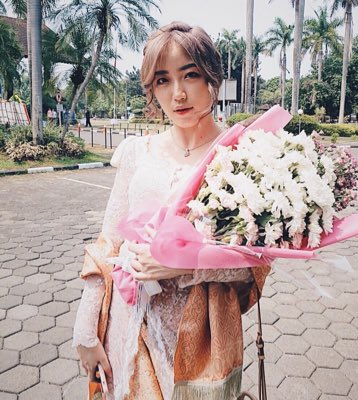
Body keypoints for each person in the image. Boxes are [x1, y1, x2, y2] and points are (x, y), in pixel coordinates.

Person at [73, 21, 270, 400]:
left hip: (199, 342)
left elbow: (255, 264)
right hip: (127, 329)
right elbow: (108, 243)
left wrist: (183, 264)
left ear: (211, 77)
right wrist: (85, 333)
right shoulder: (139, 152)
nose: (177, 93)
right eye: (163, 80)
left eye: (190, 75)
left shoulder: (242, 158)